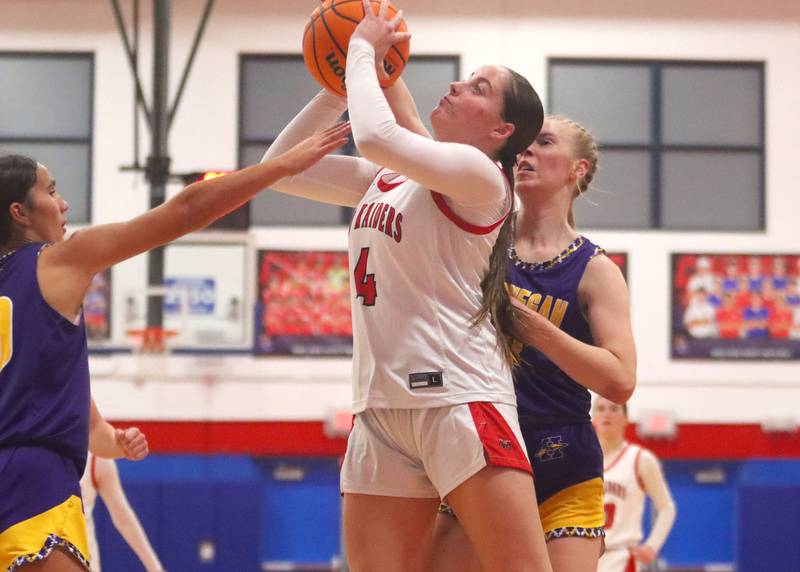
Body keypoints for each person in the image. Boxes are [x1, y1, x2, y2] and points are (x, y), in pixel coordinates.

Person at [261, 2, 547, 569]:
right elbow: (283, 168)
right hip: (379, 404)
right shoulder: (391, 178)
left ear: (501, 130)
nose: (456, 85)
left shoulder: (482, 177)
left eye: (477, 87)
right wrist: (337, 78)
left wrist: (362, 49)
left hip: (460, 400)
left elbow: (375, 136)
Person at [0, 123, 349, 571]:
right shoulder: (60, 259)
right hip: (36, 484)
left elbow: (85, 427)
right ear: (20, 212)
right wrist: (280, 167)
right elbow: (185, 209)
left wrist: (114, 442)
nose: (64, 203)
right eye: (51, 191)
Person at [428, 116, 637, 572]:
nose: (525, 152)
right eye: (523, 143)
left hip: (563, 458)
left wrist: (532, 325)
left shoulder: (595, 269)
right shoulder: (481, 241)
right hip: (480, 447)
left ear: (576, 169)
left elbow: (620, 381)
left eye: (544, 142)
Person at [593, 397, 676, 572]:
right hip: (586, 554)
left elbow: (667, 507)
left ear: (625, 419)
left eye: (614, 409)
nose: (606, 414)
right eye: (600, 409)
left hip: (620, 556)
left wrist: (652, 546)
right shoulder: (584, 459)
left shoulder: (640, 458)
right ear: (593, 417)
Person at [80, 453, 164, 572]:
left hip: (83, 558)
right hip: (46, 553)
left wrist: (154, 567)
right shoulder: (46, 449)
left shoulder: (96, 458)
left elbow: (123, 517)